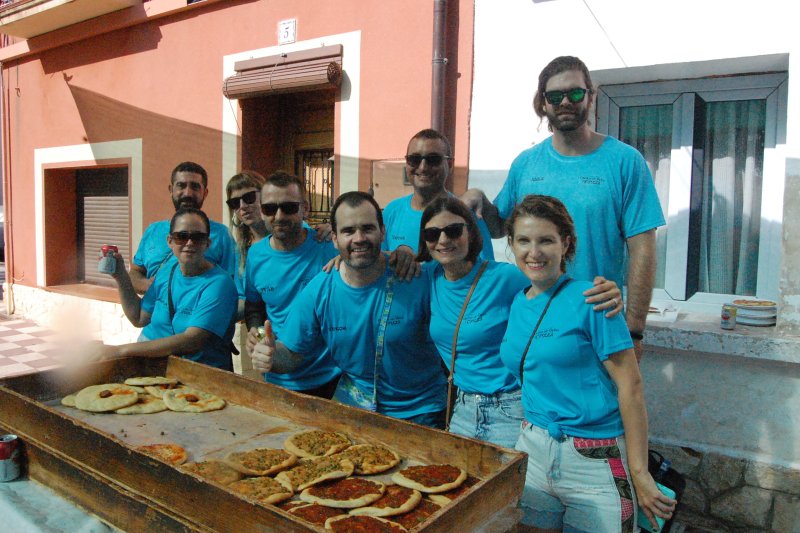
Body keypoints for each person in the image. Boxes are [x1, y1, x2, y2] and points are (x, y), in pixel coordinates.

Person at [462, 56, 664, 360]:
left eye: (576, 93)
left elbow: (643, 249)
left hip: (597, 320)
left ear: (591, 97)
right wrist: (479, 199)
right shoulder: (526, 164)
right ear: (542, 104)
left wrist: (634, 329)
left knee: (603, 406)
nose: (565, 101)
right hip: (535, 320)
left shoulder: (624, 161)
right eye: (555, 96)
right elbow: (500, 227)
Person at [499, 195, 675, 532]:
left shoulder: (593, 299)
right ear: (511, 244)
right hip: (533, 450)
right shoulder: (519, 303)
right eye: (524, 240)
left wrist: (639, 471)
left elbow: (631, 386)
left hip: (594, 460)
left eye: (545, 240)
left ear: (565, 244)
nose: (533, 252)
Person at [418, 197, 622, 448]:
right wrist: (403, 254)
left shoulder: (504, 277)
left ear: (470, 232)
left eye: (453, 230)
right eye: (432, 233)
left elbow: (555, 289)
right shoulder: (428, 277)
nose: (443, 240)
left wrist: (602, 292)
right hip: (462, 409)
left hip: (510, 408)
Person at [250, 191, 446, 427]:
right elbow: (292, 354)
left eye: (368, 228)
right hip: (356, 409)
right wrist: (270, 355)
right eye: (348, 231)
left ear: (383, 232)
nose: (359, 238)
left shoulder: (415, 277)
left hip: (421, 411)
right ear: (334, 239)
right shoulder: (319, 290)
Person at [91, 207, 238, 370]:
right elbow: (139, 317)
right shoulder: (167, 271)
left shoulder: (219, 284)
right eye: (181, 237)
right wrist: (120, 276)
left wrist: (120, 350)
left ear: (207, 243)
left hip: (200, 376)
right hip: (161, 370)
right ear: (170, 241)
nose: (189, 243)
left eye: (197, 237)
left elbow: (192, 340)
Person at [243, 171, 341, 398]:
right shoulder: (256, 255)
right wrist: (257, 333)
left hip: (330, 376)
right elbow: (254, 306)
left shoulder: (327, 244)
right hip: (278, 374)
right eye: (269, 208)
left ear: (305, 208)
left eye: (288, 207)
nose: (278, 216)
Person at [382, 128, 495, 275]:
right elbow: (376, 260)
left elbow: (485, 273)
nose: (422, 167)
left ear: (450, 164)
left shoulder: (464, 212)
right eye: (414, 159)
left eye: (433, 159)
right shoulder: (392, 211)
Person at [130, 161, 237, 294]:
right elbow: (135, 272)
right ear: (171, 190)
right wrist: (151, 287)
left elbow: (231, 286)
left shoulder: (222, 235)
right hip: (151, 313)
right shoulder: (153, 231)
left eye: (195, 187)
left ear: (205, 193)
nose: (187, 193)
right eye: (181, 185)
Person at [225, 170, 268, 319]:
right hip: (262, 328)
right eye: (235, 203)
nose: (242, 206)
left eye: (249, 198)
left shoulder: (288, 235)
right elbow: (246, 300)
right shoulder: (241, 250)